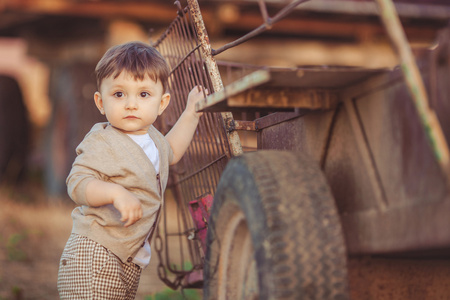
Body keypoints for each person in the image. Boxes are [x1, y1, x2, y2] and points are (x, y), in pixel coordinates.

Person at [57, 41, 206, 299]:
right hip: (95, 254)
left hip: (128, 260)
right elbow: (78, 183)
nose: (131, 104)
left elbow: (171, 151)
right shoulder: (101, 140)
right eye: (119, 94)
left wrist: (192, 112)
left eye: (144, 95)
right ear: (100, 102)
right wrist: (115, 192)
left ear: (162, 103)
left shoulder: (154, 140)